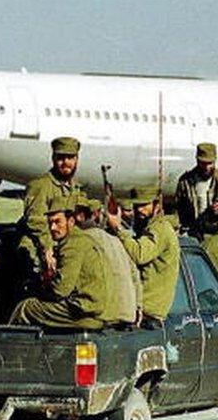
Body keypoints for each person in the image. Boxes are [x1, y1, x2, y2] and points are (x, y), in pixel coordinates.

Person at [9, 197, 108, 330]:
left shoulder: (72, 244)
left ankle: (7, 346)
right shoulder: (80, 239)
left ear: (71, 221)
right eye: (50, 223)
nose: (52, 228)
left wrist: (41, 291)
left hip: (81, 312)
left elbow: (60, 289)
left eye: (57, 222)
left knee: (26, 307)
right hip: (88, 309)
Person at [106, 185, 180, 327]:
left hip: (147, 314)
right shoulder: (149, 227)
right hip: (139, 310)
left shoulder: (160, 228)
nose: (139, 209)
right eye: (137, 205)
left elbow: (139, 254)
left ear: (156, 205)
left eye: (144, 205)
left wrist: (118, 228)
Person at [18, 137, 88, 278]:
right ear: (53, 158)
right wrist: (47, 248)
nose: (66, 162)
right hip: (39, 244)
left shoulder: (75, 188)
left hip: (64, 244)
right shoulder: (40, 185)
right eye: (61, 158)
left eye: (70, 157)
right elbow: (35, 221)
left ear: (77, 159)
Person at [77, 196, 142, 326]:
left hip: (102, 317)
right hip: (127, 318)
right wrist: (138, 307)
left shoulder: (80, 240)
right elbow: (135, 275)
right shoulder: (115, 241)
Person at [175, 142, 218, 238]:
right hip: (193, 233)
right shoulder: (186, 181)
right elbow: (177, 209)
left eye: (210, 163)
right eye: (203, 163)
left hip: (217, 234)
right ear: (197, 160)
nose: (206, 167)